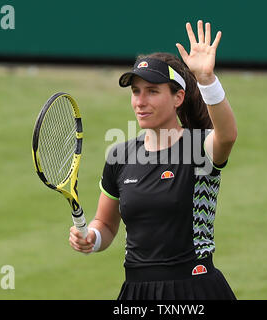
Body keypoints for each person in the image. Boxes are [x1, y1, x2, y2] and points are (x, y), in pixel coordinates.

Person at [69, 20, 238, 300]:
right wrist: (92, 238)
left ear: (178, 97)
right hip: (137, 293)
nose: (140, 101)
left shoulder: (199, 147)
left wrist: (207, 80)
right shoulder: (119, 156)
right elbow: (107, 224)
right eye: (136, 91)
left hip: (195, 289)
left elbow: (228, 135)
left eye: (152, 91)